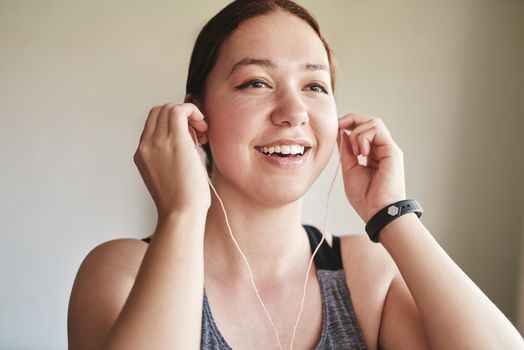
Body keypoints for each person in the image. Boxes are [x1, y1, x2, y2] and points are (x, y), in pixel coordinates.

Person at [67, 0, 524, 349]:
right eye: (256, 83)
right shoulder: (121, 271)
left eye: (314, 86)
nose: (293, 112)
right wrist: (182, 211)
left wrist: (393, 215)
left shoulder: (367, 274)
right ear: (196, 116)